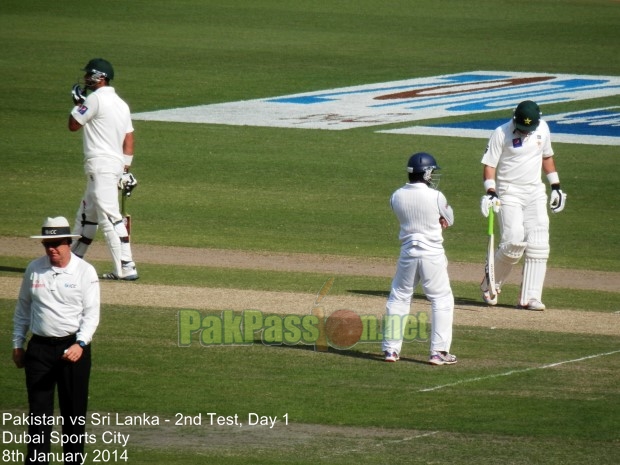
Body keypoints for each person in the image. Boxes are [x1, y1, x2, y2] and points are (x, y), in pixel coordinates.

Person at [12, 216, 100, 465]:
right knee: (38, 414)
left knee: (73, 413)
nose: (52, 248)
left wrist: (80, 343)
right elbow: (23, 310)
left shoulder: (85, 271)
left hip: (73, 349)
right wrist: (18, 344)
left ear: (68, 243)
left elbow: (91, 314)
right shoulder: (34, 269)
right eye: (47, 243)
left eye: (57, 243)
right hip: (38, 349)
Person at [480, 100, 567, 310]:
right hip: (509, 191)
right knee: (513, 242)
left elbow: (547, 156)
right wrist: (490, 192)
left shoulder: (543, 128)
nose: (525, 133)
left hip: (535, 191)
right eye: (521, 128)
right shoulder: (501, 133)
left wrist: (555, 186)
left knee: (539, 243)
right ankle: (491, 284)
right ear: (514, 118)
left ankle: (530, 297)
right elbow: (489, 165)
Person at [382, 152, 457, 366]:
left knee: (399, 298)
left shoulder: (396, 195)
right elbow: (449, 219)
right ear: (426, 173)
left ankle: (390, 349)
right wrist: (440, 219)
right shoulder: (436, 196)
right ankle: (438, 352)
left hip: (408, 253)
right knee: (441, 299)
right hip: (432, 254)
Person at [69, 57, 139, 280]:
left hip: (100, 165)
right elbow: (129, 138)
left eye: (90, 75)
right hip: (113, 165)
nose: (86, 79)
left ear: (101, 77)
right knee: (88, 215)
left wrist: (79, 104)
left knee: (109, 216)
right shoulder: (122, 104)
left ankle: (126, 266)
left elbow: (73, 125)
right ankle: (73, 262)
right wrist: (125, 169)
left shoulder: (95, 99)